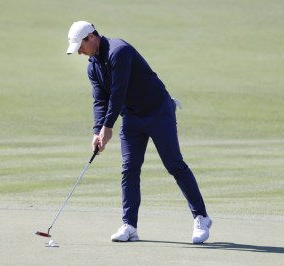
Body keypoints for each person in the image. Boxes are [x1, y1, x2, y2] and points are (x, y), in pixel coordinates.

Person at [66, 21, 212, 244]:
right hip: (132, 118)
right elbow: (100, 101)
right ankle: (130, 225)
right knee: (129, 169)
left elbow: (118, 93)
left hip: (158, 111)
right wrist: (97, 131)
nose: (79, 51)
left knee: (174, 164)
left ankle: (201, 217)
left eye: (80, 46)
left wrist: (108, 128)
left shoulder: (119, 51)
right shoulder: (92, 66)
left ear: (91, 37)